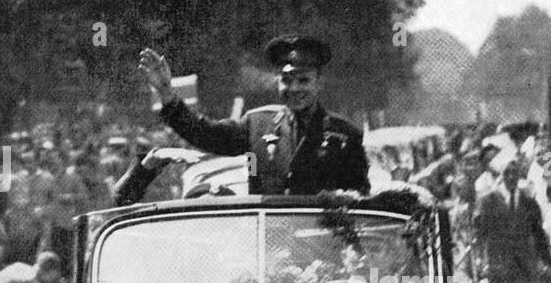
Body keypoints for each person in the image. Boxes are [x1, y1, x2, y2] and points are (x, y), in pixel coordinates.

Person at [122, 35, 369, 202]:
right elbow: (205, 133)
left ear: (318, 82)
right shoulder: (257, 124)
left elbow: (360, 205)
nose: (294, 89)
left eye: (303, 80)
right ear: (277, 81)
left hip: (321, 252)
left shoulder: (345, 135)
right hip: (267, 251)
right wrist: (166, 90)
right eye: (286, 80)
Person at [473, 153, 551, 283]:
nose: (511, 177)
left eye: (515, 173)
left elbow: (539, 235)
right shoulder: (488, 202)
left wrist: (547, 262)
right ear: (500, 175)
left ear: (520, 175)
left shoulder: (529, 203)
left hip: (524, 264)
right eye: (507, 173)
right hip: (498, 264)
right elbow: (479, 234)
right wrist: (479, 259)